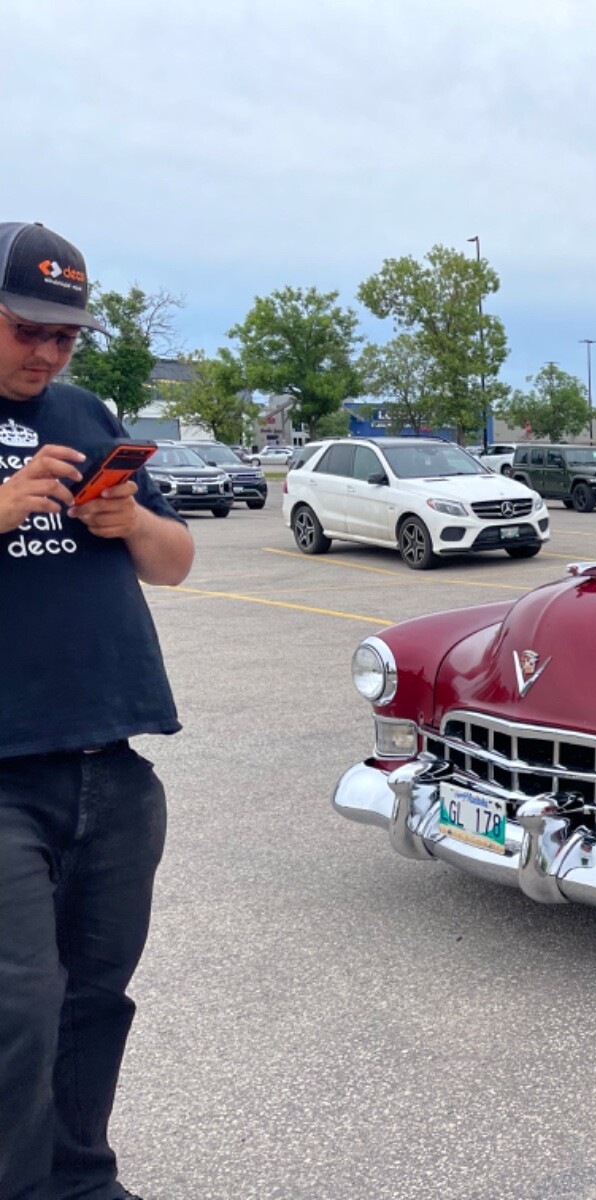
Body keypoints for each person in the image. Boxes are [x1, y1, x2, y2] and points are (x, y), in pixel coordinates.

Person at [0, 222, 194, 1200]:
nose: (46, 353)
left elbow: (175, 562)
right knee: (19, 1007)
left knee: (93, 1000)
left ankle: (79, 1179)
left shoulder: (84, 410)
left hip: (112, 761)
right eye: (25, 327)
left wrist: (134, 520)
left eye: (63, 335)